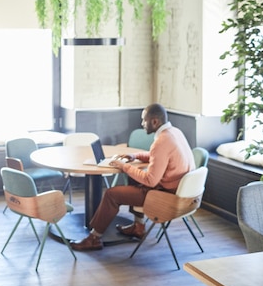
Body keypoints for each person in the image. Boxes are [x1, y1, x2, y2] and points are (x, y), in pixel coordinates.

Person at [71, 103, 195, 251]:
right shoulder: (174, 132)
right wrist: (134, 156)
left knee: (111, 194)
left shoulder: (161, 141)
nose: (142, 124)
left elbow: (150, 180)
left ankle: (94, 238)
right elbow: (158, 157)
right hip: (182, 194)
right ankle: (138, 226)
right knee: (133, 177)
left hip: (166, 197)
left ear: (154, 121)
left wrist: (124, 166)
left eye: (144, 120)